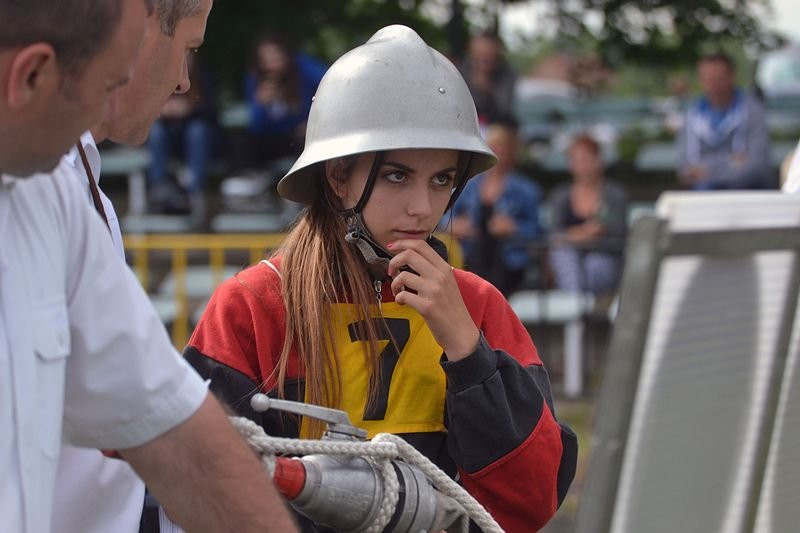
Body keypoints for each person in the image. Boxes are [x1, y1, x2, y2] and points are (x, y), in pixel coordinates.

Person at [184, 25, 577, 532]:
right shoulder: (250, 306)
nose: (423, 208)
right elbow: (200, 494)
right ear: (337, 176)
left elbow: (530, 504)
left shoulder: (478, 306)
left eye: (442, 179)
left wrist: (467, 350)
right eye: (397, 175)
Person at [0, 1, 296, 532]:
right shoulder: (48, 176)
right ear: (31, 76)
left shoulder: (49, 189)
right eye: (108, 79)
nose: (94, 128)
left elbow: (169, 424)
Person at [449, 118, 542, 296]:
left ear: (512, 151)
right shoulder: (467, 186)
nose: (498, 152)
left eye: (503, 147)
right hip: (470, 256)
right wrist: (456, 225)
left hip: (509, 262)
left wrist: (514, 227)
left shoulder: (526, 189)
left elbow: (537, 231)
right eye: (494, 146)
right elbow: (444, 217)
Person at [677, 52, 773, 190]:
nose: (713, 84)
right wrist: (731, 163)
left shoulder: (753, 111)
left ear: (731, 76)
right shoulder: (692, 114)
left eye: (718, 78)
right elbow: (685, 169)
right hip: (705, 192)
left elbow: (756, 165)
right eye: (707, 78)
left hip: (747, 189)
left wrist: (707, 170)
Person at [548, 134, 628, 294]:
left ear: (599, 161)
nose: (582, 165)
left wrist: (572, 235)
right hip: (570, 258)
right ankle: (577, 308)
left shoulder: (615, 194)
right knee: (563, 256)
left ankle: (577, 312)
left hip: (605, 258)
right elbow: (555, 234)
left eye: (587, 159)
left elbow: (615, 231)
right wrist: (588, 232)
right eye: (576, 160)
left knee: (594, 264)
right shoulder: (561, 195)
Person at [147, 52, 217, 216]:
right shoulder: (159, 76)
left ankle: (194, 191)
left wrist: (191, 108)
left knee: (197, 130)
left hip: (200, 139)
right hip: (169, 136)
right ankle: (159, 187)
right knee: (156, 131)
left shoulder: (205, 76)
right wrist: (161, 110)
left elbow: (213, 113)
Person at [242, 34, 326, 170]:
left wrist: (312, 123)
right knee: (243, 142)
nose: (272, 63)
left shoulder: (304, 70)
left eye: (275, 55)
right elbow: (256, 127)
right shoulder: (255, 79)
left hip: (301, 134)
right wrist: (261, 105)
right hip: (273, 137)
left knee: (304, 141)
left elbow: (328, 84)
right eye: (265, 59)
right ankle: (252, 178)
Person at [459, 31, 517, 127]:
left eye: (488, 54)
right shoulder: (460, 73)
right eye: (480, 54)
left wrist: (487, 89)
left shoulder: (508, 76)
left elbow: (506, 110)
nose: (484, 59)